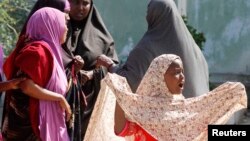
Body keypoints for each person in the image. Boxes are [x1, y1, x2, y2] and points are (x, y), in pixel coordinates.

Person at [99, 54, 247, 140]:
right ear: (158, 78)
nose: (182, 76)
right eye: (176, 72)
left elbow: (208, 130)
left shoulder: (188, 109)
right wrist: (121, 98)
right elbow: (122, 129)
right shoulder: (142, 108)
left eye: (182, 71)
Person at [96, 0, 209, 98]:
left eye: (148, 11)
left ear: (153, 14)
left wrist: (111, 66)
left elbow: (129, 83)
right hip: (199, 115)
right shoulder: (195, 51)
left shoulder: (147, 47)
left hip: (169, 118)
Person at [2, 7, 71, 140]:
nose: (67, 29)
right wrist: (59, 98)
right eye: (64, 24)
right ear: (51, 25)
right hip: (31, 127)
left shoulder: (51, 51)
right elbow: (26, 85)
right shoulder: (37, 52)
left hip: (43, 123)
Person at [62, 0, 119, 140]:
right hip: (60, 103)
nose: (80, 8)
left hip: (92, 106)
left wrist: (93, 73)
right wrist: (73, 72)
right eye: (75, 2)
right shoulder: (58, 29)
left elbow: (115, 68)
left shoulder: (102, 37)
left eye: (85, 3)